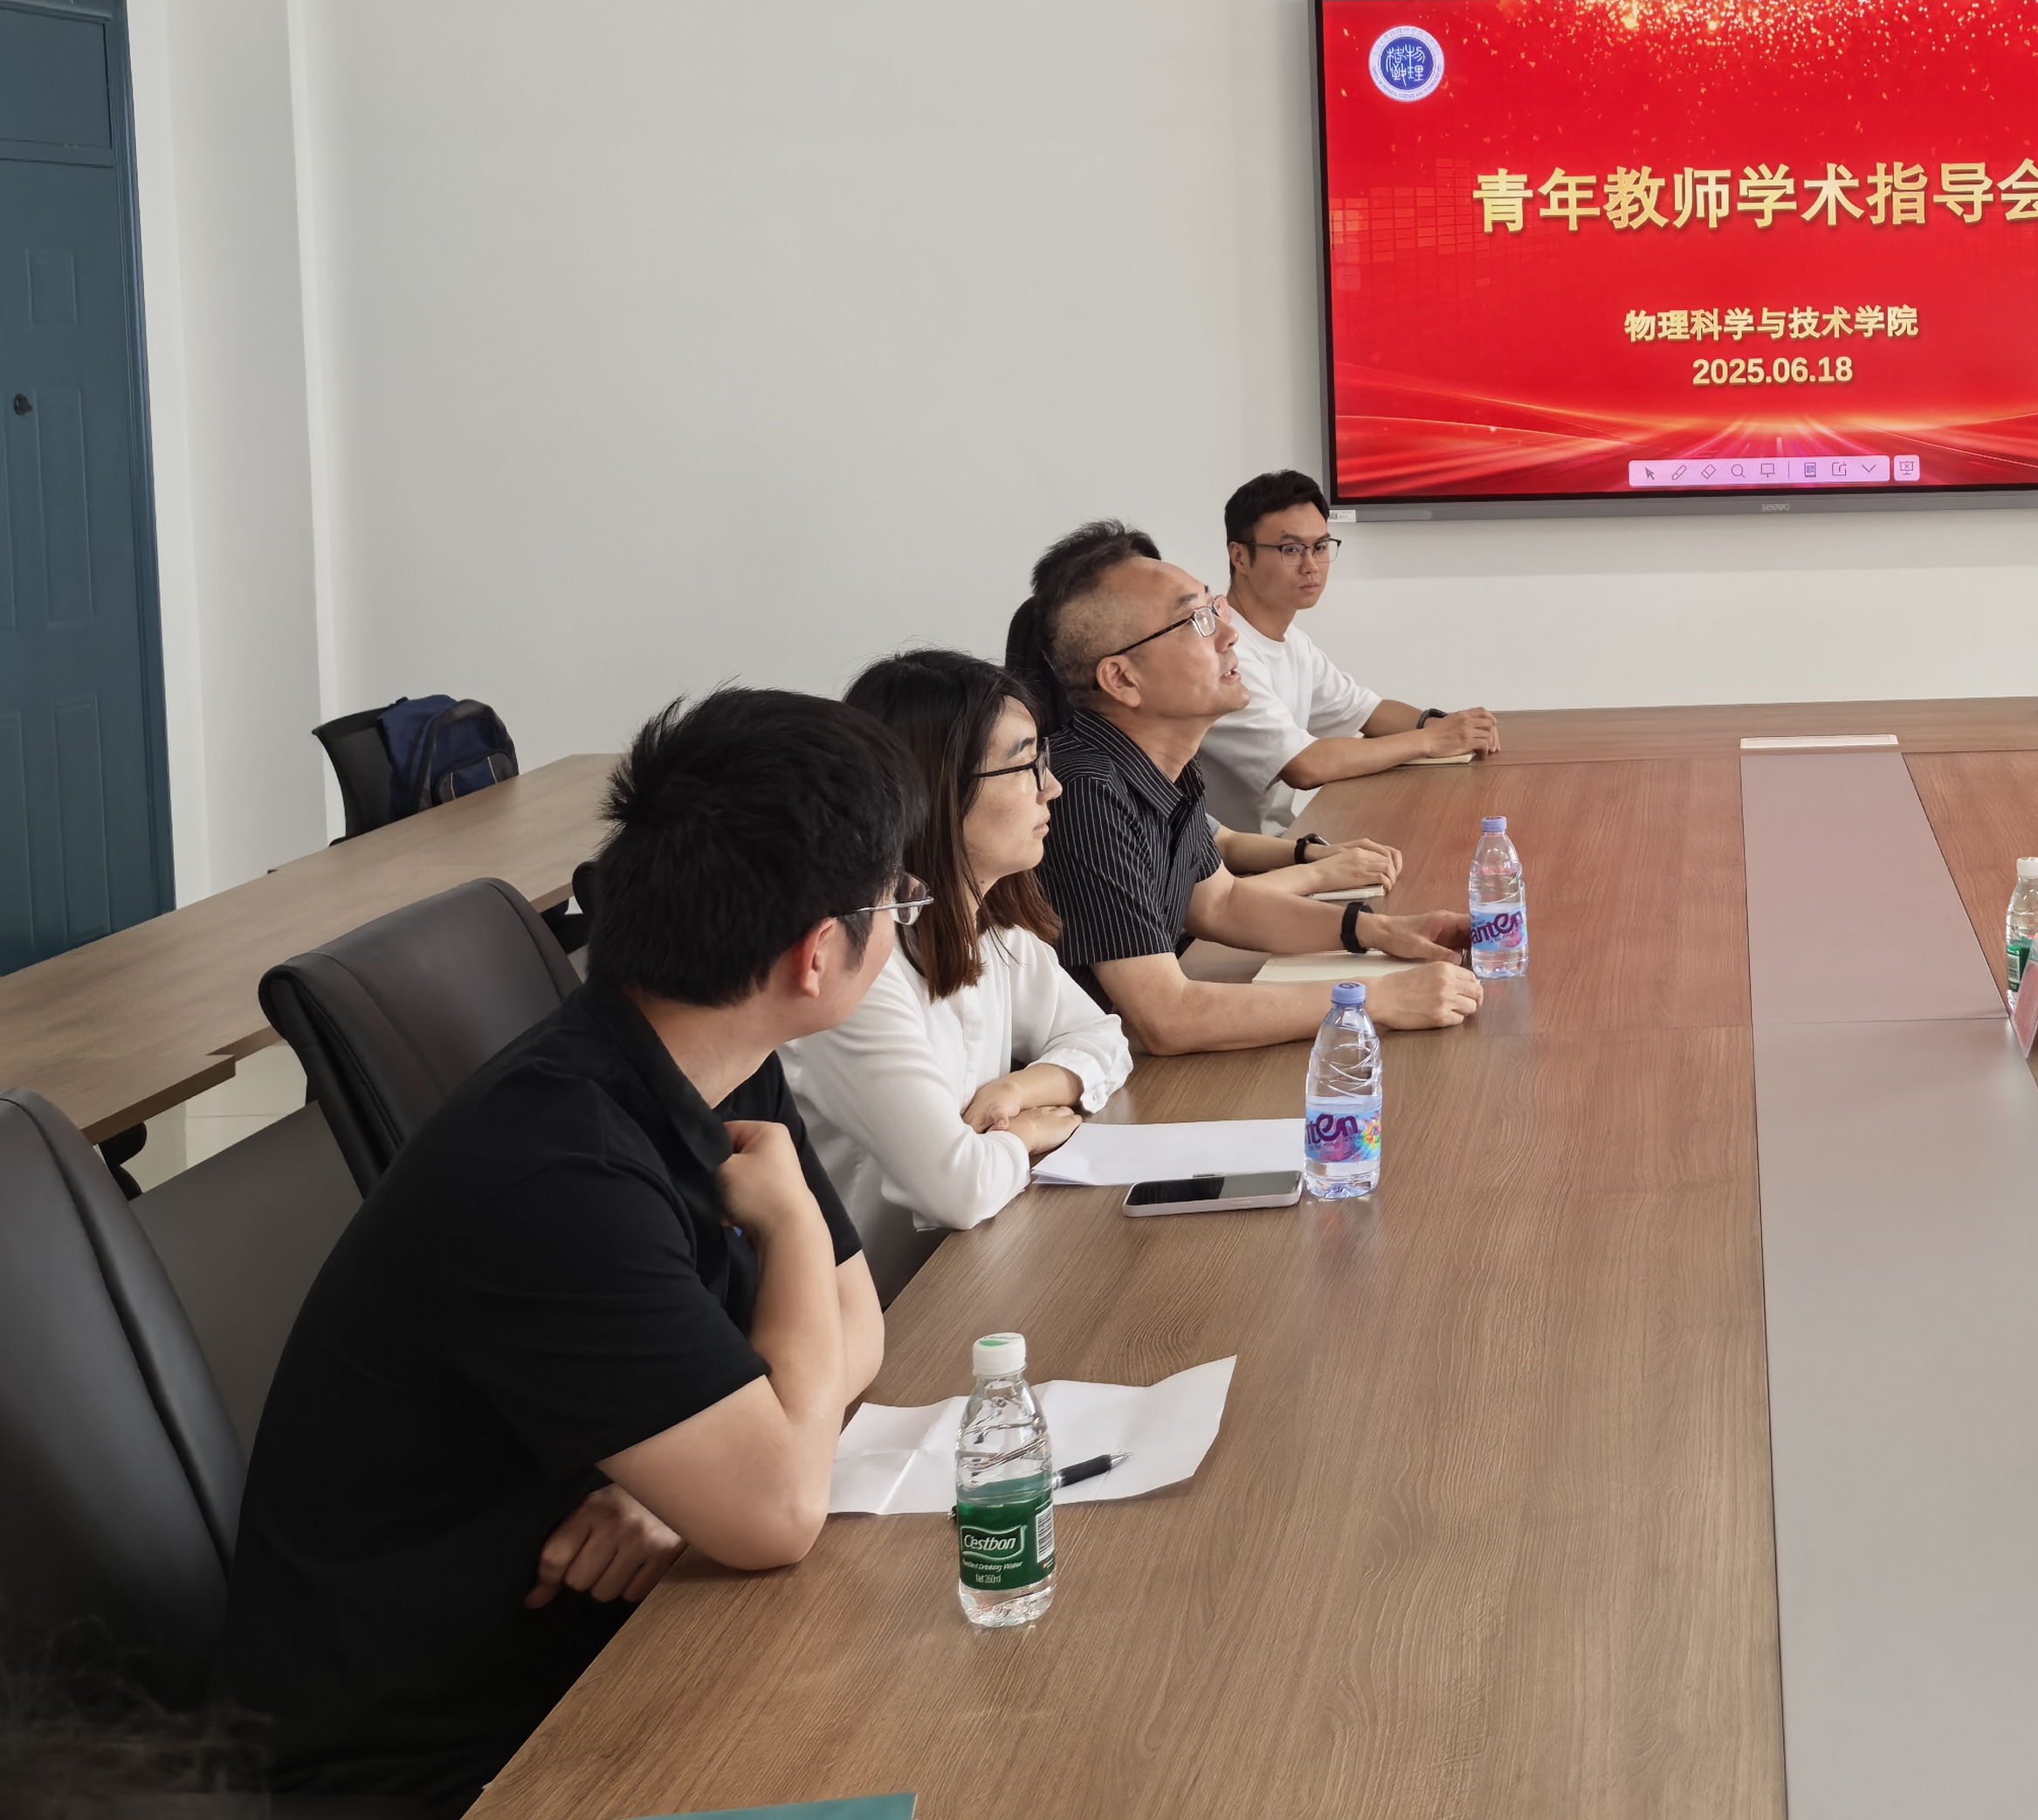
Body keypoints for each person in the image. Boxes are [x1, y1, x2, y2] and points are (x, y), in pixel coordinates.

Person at [221, 691, 905, 1812]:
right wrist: (784, 1238)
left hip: (609, 1654)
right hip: (449, 1762)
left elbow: (856, 1332)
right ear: (819, 953)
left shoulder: (722, 1051)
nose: (901, 920)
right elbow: (779, 1513)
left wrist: (685, 1486)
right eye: (894, 901)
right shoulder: (553, 1168)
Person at [1007, 519, 1484, 1054]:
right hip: (1078, 1086)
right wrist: (1377, 999)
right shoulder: (1083, 791)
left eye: (1214, 607)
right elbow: (1165, 1018)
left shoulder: (1165, 764)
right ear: (1122, 679)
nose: (1229, 633)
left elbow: (1221, 902)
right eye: (1195, 621)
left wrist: (1382, 932)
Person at [783, 650, 1135, 1233]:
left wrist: (1017, 1090)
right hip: (898, 1285)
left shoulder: (992, 930)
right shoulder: (855, 970)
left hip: (981, 1250)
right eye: (1025, 765)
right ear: (935, 791)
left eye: (1043, 759)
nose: (1052, 787)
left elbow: (1104, 1038)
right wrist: (1028, 1130)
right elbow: (959, 1191)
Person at [1199, 470, 1501, 833]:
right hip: (1227, 860)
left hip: (1277, 844)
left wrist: (1447, 726)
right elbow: (1305, 765)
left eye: (1320, 547)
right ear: (1240, 557)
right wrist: (1431, 740)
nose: (1311, 566)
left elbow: (1367, 711)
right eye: (1290, 550)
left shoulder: (1292, 641)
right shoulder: (1224, 651)